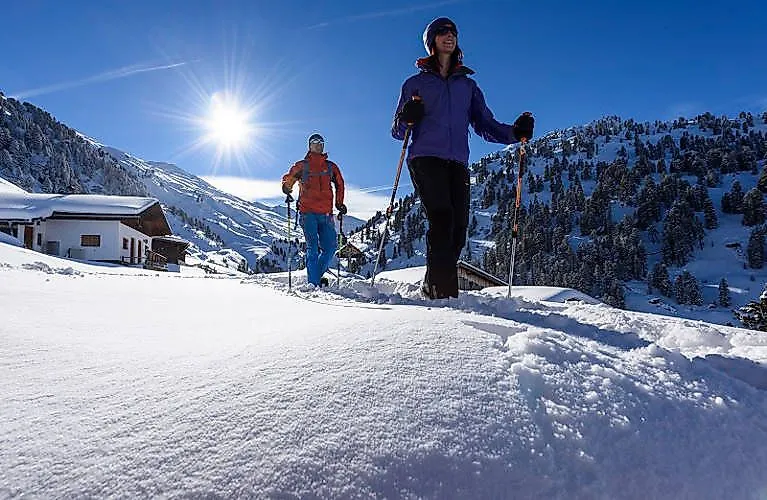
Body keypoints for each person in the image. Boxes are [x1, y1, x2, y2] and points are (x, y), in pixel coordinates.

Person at [391, 17, 535, 299]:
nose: (449, 36)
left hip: (457, 162)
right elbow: (398, 130)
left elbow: (485, 124)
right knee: (442, 218)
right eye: (443, 32)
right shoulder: (415, 84)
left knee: (458, 229)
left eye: (453, 33)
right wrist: (407, 116)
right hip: (425, 158)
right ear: (431, 41)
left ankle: (432, 282)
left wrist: (515, 133)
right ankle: (442, 293)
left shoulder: (467, 87)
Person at [282, 133, 347, 287]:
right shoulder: (302, 165)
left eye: (321, 142)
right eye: (315, 142)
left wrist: (339, 203)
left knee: (331, 247)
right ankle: (314, 284)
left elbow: (340, 184)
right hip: (307, 213)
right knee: (312, 248)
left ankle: (315, 278)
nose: (318, 144)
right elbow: (289, 177)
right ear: (310, 146)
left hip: (326, 213)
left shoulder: (331, 167)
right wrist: (286, 186)